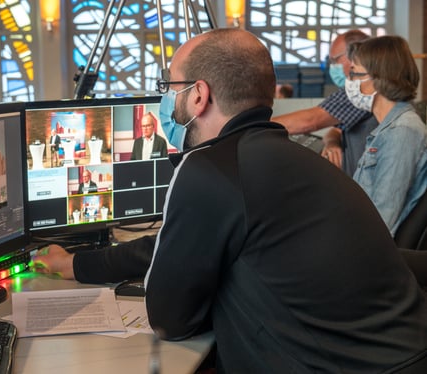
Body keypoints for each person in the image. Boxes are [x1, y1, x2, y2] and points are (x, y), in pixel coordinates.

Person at [143, 28, 427, 372]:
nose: (167, 100)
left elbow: (170, 320)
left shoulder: (211, 167)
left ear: (199, 95)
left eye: (171, 87)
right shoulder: (297, 160)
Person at [346, 35, 427, 236]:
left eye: (354, 72)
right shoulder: (387, 129)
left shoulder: (402, 132)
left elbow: (382, 219)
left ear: (375, 79)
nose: (350, 82)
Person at [273, 30, 378, 176]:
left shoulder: (362, 90)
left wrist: (251, 125)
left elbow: (311, 121)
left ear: (356, 55)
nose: (332, 66)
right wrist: (332, 143)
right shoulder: (355, 91)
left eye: (335, 60)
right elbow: (335, 131)